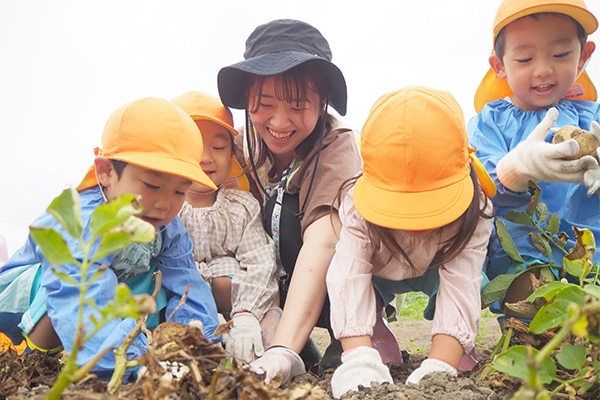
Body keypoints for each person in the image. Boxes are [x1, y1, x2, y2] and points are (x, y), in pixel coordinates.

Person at [0, 97, 220, 380]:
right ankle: (30, 360)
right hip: (29, 304)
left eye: (179, 192)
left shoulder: (167, 226)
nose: (165, 204)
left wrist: (198, 347)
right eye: (152, 185)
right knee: (67, 276)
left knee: (159, 287)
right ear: (105, 172)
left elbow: (189, 282)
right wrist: (138, 363)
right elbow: (79, 295)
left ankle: (103, 351)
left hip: (98, 303)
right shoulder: (82, 218)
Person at [217, 19, 363, 381]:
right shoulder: (235, 148)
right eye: (263, 104)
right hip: (264, 283)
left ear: (323, 102)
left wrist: (280, 353)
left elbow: (324, 241)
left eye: (298, 106)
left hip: (330, 277)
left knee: (303, 222)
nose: (279, 122)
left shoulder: (337, 147)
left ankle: (349, 333)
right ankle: (278, 335)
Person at [327, 86, 495, 398]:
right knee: (353, 296)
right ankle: (374, 330)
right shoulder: (356, 206)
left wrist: (440, 365)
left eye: (430, 209)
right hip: (379, 275)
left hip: (434, 270)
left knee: (474, 289)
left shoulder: (477, 207)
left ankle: (454, 341)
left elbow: (461, 281)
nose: (415, 223)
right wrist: (358, 358)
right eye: (400, 209)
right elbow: (349, 276)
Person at [468, 0, 600, 319]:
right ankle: (525, 329)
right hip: (522, 251)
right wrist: (517, 170)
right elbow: (481, 186)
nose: (543, 69)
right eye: (525, 58)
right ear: (499, 65)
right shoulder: (491, 122)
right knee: (532, 307)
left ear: (583, 56)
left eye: (560, 55)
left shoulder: (592, 117)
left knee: (588, 318)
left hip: (590, 253)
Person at [171, 91, 280, 363]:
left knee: (267, 309)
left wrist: (245, 315)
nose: (205, 158)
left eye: (218, 148)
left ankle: (277, 345)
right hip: (181, 303)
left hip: (239, 305)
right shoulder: (166, 207)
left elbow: (260, 263)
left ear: (233, 153)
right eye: (193, 147)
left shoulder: (241, 206)